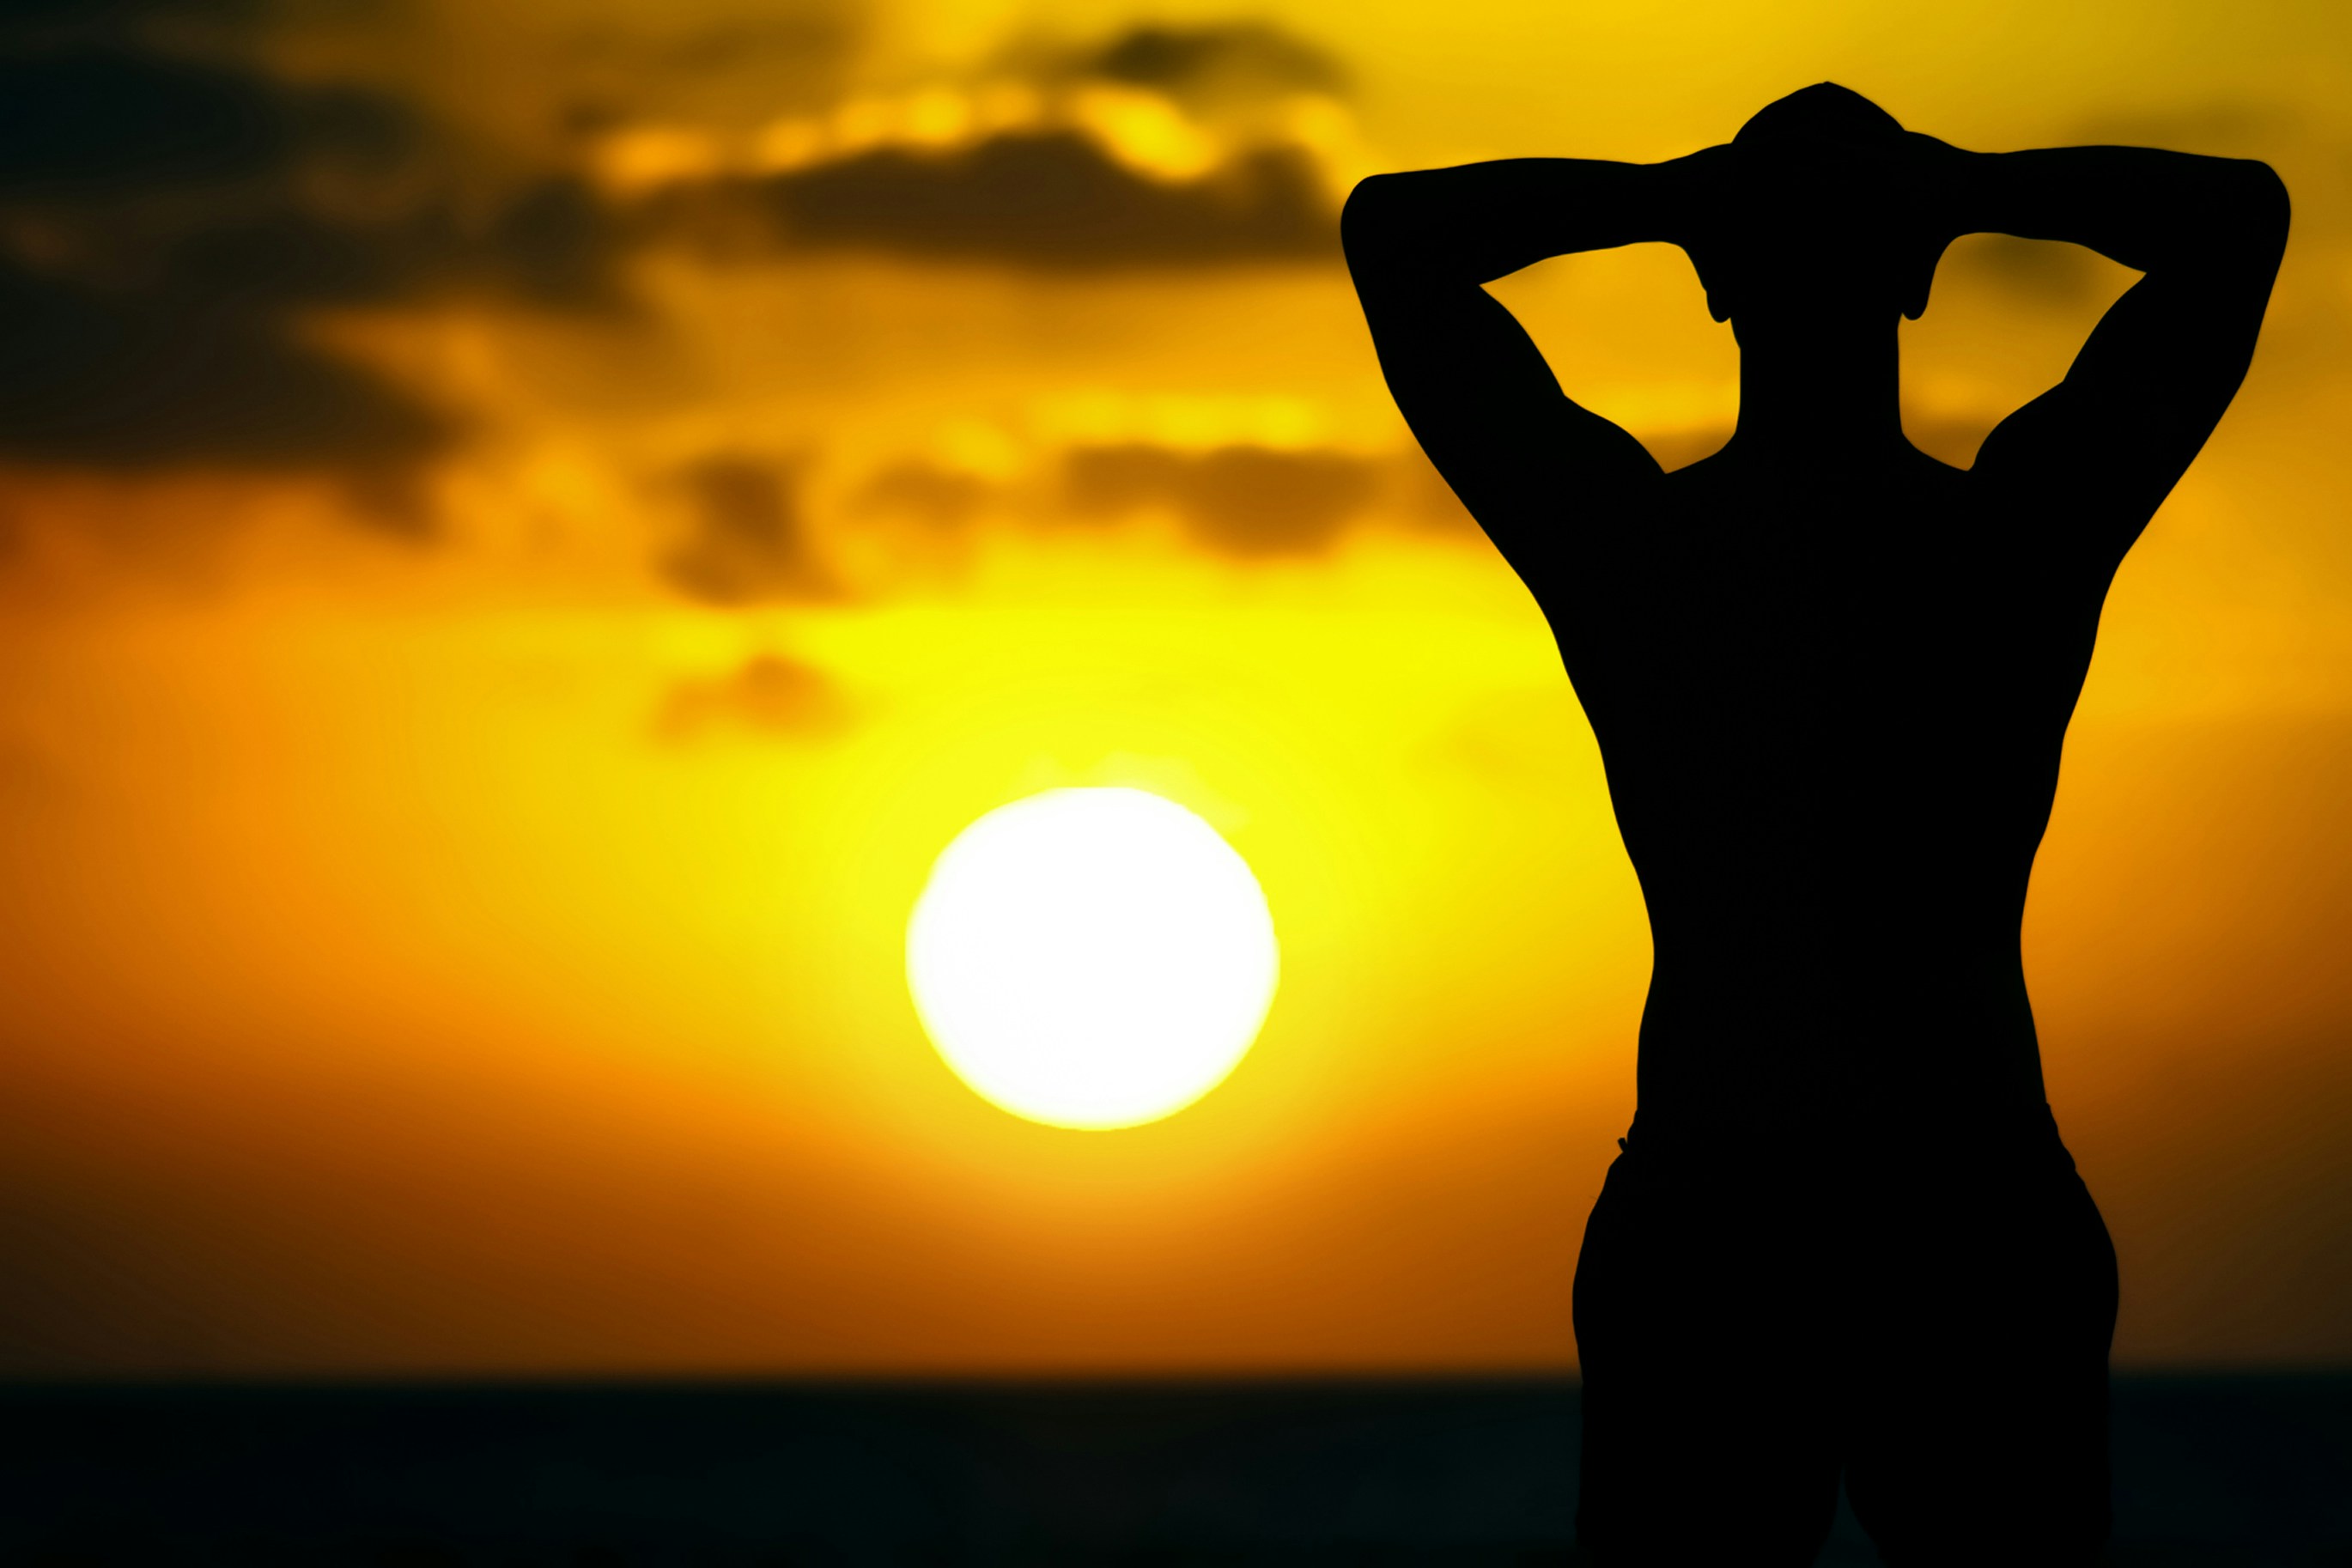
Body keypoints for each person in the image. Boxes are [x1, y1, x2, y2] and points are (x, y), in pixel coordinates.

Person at [1341, 83, 2288, 1566]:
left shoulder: (1642, 554)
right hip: (1949, 1207)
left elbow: (1395, 237)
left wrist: (1678, 197)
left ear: (1718, 287)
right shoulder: (2013, 539)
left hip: (1748, 1210)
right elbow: (2235, 222)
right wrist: (1948, 190)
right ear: (1913, 276)